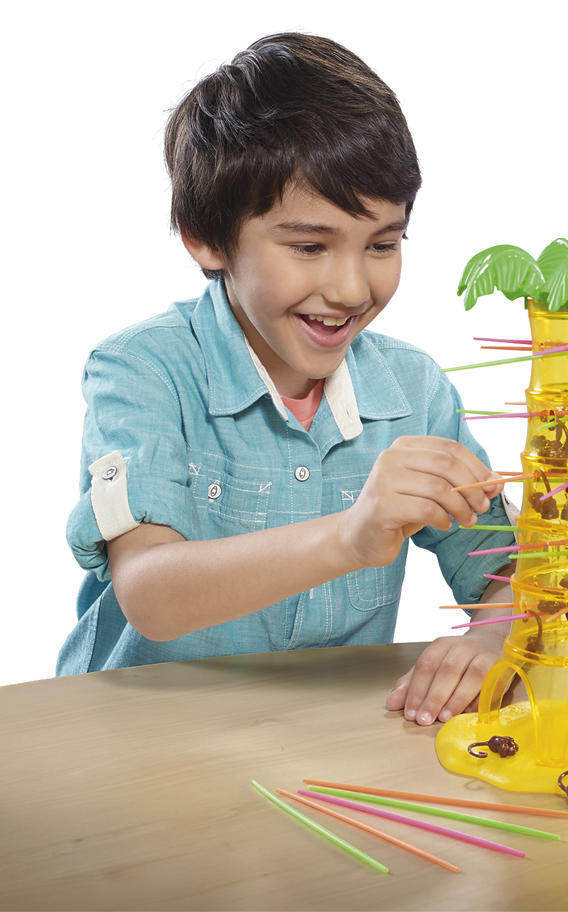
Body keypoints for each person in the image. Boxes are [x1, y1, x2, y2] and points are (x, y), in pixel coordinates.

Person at [58, 34, 517, 711]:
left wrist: (495, 634)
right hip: (141, 732)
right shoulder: (144, 369)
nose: (352, 288)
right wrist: (348, 536)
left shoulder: (415, 390)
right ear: (205, 237)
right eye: (308, 246)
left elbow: (502, 572)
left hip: (321, 741)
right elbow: (150, 592)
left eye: (383, 244)